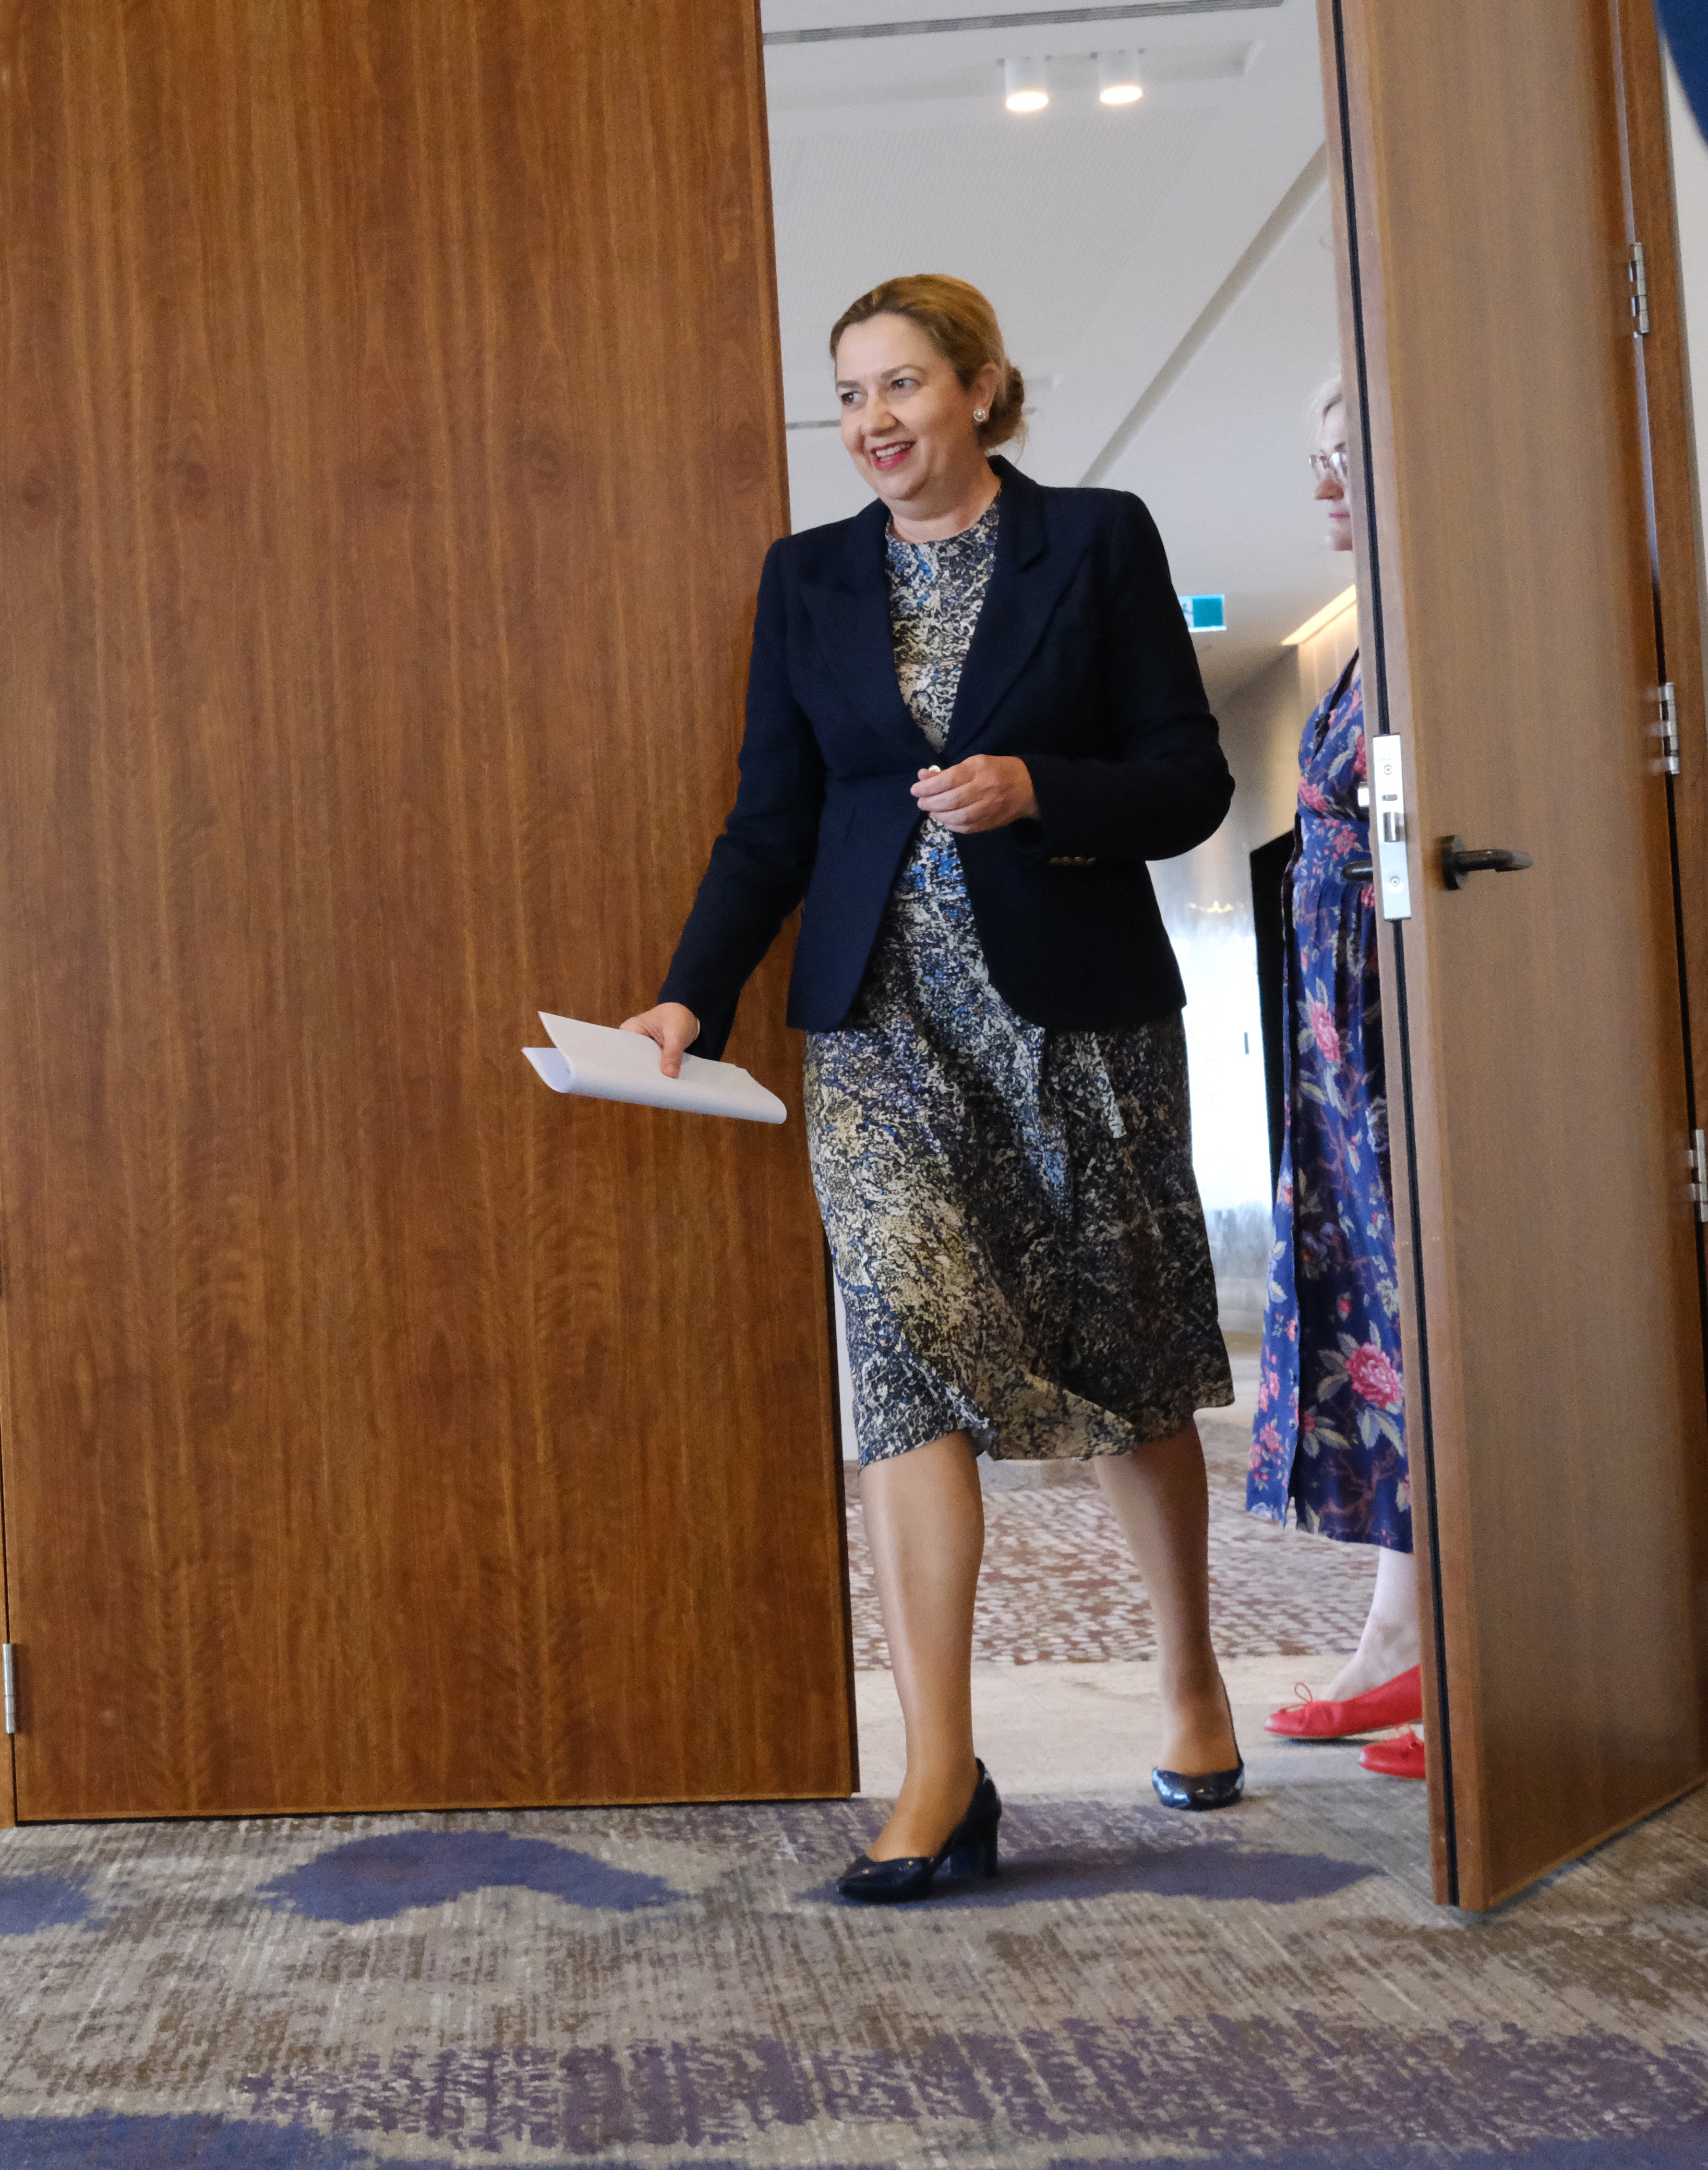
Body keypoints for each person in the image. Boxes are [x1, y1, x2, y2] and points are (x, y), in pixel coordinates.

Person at [625, 274, 1240, 1903]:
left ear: (979, 389)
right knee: (901, 1368)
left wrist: (1043, 785)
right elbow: (769, 819)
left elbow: (1190, 780)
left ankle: (1187, 1678)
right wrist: (693, 995)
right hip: (879, 1031)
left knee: (1124, 1352)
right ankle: (939, 1770)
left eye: (902, 384)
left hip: (1073, 1028)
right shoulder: (808, 578)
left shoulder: (1096, 541)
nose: (873, 421)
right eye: (848, 396)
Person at [1249, 381, 1423, 1782]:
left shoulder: (1456, 618)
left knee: (1448, 1331)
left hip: (1416, 1030)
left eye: (1347, 456)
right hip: (1342, 1041)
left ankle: (1479, 1655)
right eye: (1317, 461)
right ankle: (1404, 1630)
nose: (1324, 486)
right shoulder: (1370, 637)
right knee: (1381, 1319)